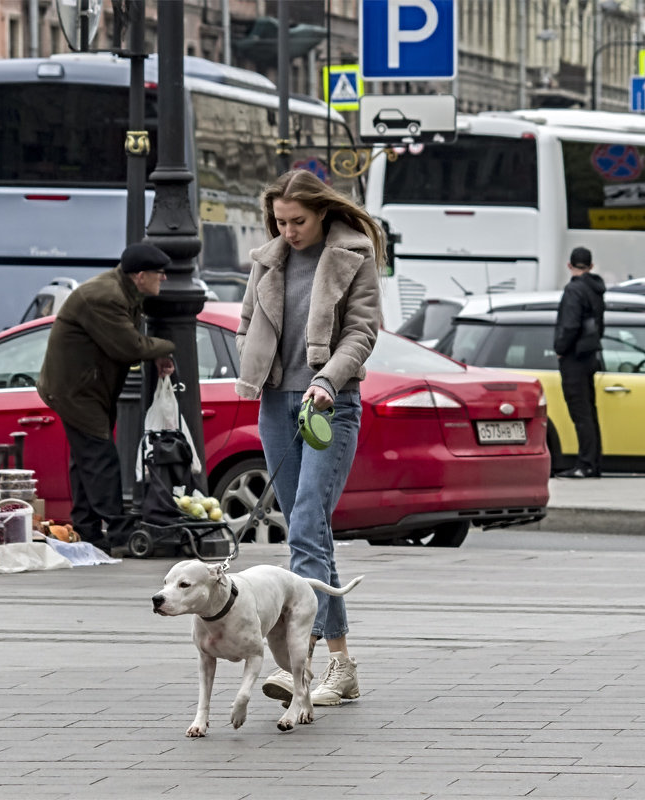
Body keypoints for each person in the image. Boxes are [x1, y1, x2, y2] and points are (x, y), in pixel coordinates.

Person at [236, 169, 383, 709]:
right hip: (277, 404)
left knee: (303, 525)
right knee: (311, 532)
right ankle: (342, 670)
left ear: (322, 213)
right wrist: (255, 365)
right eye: (280, 221)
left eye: (298, 221)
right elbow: (247, 321)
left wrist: (326, 380)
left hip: (330, 405)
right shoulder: (267, 260)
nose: (289, 230)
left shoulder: (353, 255)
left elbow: (363, 332)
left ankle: (300, 658)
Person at [36, 242, 176, 552]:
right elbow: (128, 346)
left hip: (89, 387)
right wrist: (169, 346)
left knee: (86, 458)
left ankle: (88, 528)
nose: (163, 279)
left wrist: (152, 352)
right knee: (100, 458)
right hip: (77, 390)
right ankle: (118, 529)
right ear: (140, 275)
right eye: (159, 273)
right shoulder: (105, 296)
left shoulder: (122, 290)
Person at [554, 246, 606, 479]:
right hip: (590, 355)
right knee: (589, 412)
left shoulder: (574, 290)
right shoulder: (596, 289)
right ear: (591, 266)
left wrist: (560, 349)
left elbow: (570, 325)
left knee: (580, 413)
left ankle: (584, 464)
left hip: (574, 357)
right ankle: (593, 462)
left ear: (569, 265)